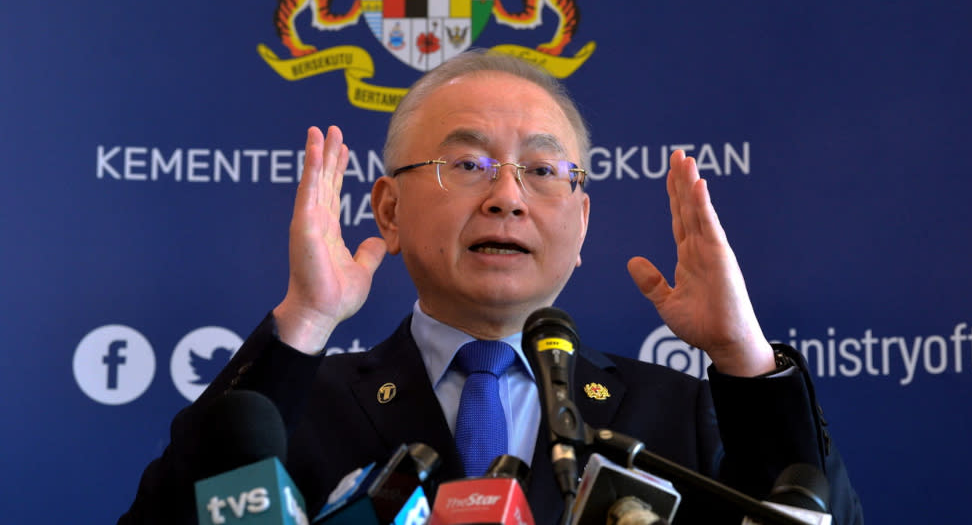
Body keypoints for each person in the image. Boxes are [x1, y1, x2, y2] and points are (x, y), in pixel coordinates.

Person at [119, 50, 863, 524]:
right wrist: (304, 319)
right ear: (388, 209)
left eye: (542, 171)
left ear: (581, 221)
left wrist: (743, 359)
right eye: (468, 164)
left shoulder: (680, 418)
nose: (507, 196)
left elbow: (816, 517)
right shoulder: (300, 407)